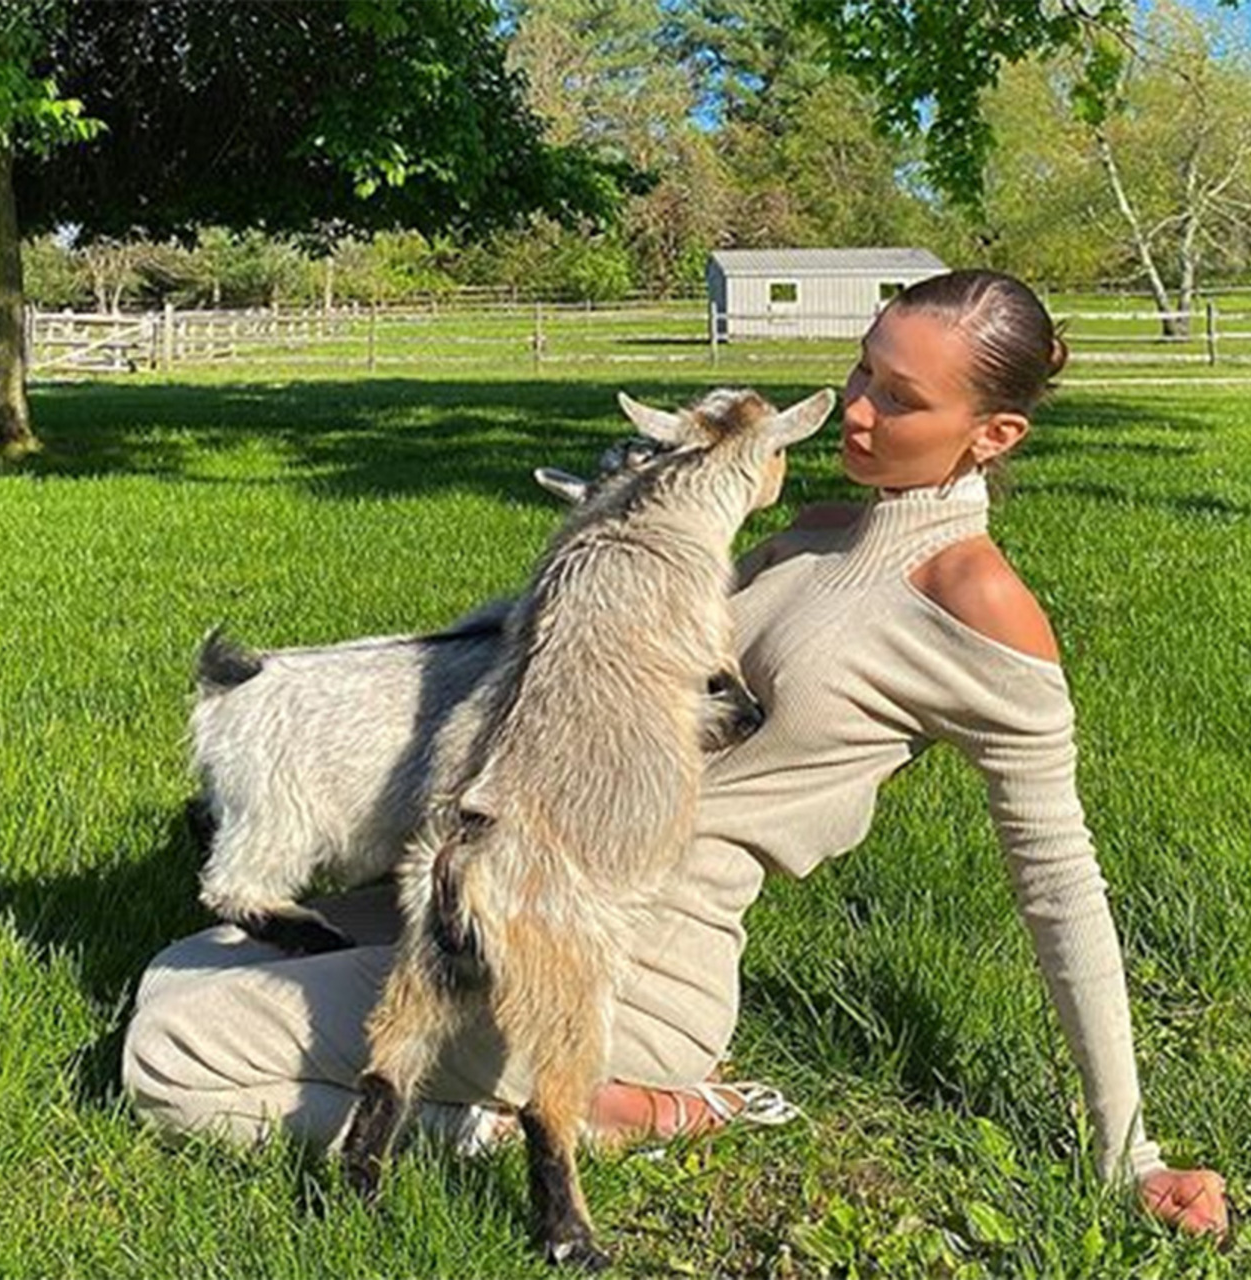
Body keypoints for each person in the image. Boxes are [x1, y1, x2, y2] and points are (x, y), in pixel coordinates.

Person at [123, 270, 1228, 1239]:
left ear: (992, 435)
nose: (850, 409)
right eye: (859, 371)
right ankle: (518, 1100)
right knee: (197, 954)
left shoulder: (978, 608)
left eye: (899, 399)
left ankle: (604, 1111)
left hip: (626, 957)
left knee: (170, 1051)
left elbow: (1057, 883)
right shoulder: (811, 535)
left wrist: (1125, 1149)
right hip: (518, 870)